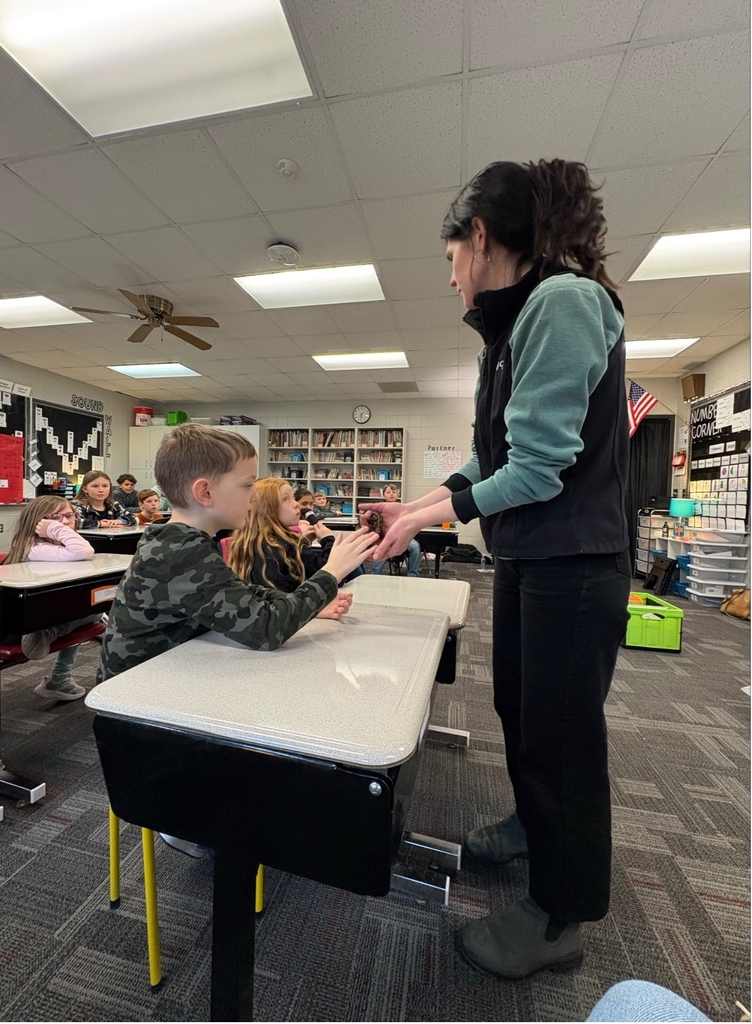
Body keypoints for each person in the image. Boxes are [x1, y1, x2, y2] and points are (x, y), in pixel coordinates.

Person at [361, 159, 630, 979]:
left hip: (574, 566)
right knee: (522, 711)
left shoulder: (563, 302)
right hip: (529, 559)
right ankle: (532, 826)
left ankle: (561, 917)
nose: (451, 280)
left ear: (480, 239)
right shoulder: (509, 334)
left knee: (561, 740)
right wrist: (413, 511)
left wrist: (435, 515)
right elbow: (489, 459)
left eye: (451, 260)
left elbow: (540, 470)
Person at [98, 425, 376, 857]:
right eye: (247, 485)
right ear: (205, 492)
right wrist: (330, 573)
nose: (253, 495)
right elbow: (264, 629)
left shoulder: (187, 540)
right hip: (142, 715)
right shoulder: (182, 549)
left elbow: (244, 600)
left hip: (170, 685)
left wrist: (309, 605)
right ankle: (187, 817)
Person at [3, 495, 99, 701]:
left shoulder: (51, 548)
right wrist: (57, 529)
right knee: (92, 610)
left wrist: (57, 528)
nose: (64, 522)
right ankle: (59, 672)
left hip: (32, 620)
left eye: (69, 516)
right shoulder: (36, 548)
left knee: (89, 608)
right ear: (38, 523)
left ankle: (54, 643)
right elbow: (83, 550)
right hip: (15, 627)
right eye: (54, 517)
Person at [224, 478, 353, 618]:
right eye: (286, 499)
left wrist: (304, 543)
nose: (296, 504)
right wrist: (327, 539)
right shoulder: (287, 544)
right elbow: (332, 575)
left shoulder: (246, 542)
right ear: (267, 509)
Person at [369, 484, 421, 577]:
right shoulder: (379, 509)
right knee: (382, 547)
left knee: (415, 546)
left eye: (394, 492)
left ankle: (413, 575)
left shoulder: (403, 509)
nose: (391, 494)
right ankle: (375, 575)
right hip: (385, 537)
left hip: (401, 537)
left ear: (397, 495)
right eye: (388, 492)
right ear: (383, 495)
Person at [73, 471, 138, 529]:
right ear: (85, 489)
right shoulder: (77, 506)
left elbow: (135, 518)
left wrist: (120, 521)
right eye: (95, 486)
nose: (101, 490)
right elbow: (73, 522)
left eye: (105, 486)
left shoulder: (113, 505)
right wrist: (100, 524)